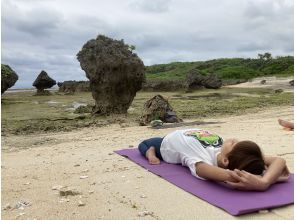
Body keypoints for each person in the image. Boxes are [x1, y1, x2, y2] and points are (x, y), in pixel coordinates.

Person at [138, 128, 289, 191]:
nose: (234, 139)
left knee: (144, 144)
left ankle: (150, 153)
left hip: (167, 144)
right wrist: (265, 181)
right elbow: (279, 161)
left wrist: (254, 181)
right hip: (190, 132)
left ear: (225, 161)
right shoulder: (235, 155)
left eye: (235, 144)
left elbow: (205, 171)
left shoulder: (200, 159)